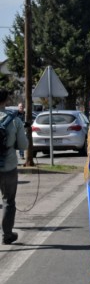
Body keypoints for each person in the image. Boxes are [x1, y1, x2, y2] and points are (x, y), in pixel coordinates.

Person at [0, 90, 28, 245]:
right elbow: (23, 145)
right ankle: (7, 234)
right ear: (6, 100)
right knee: (8, 201)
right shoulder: (14, 120)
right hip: (8, 166)